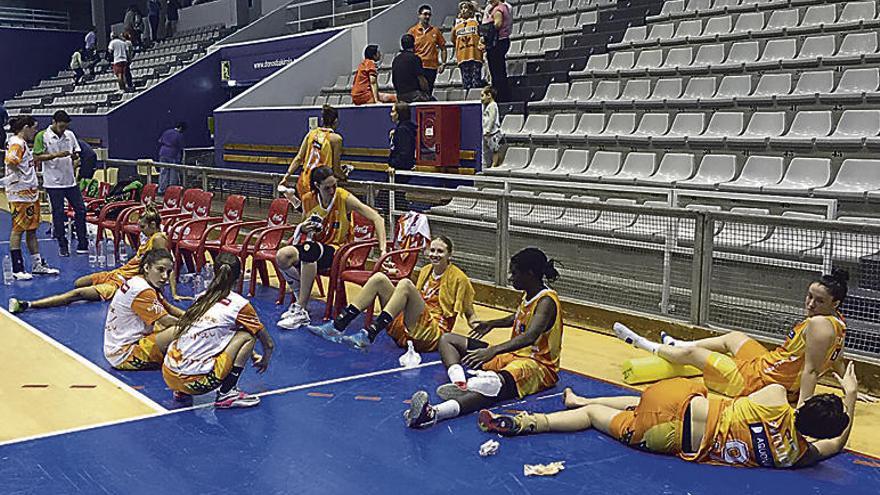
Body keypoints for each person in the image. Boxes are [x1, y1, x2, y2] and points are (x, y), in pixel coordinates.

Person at [480, 363, 859, 469]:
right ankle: (539, 420)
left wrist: (845, 391)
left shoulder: (776, 397)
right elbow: (836, 444)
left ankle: (566, 407)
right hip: (667, 439)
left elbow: (774, 387)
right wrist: (854, 402)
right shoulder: (796, 457)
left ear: (805, 407)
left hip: (677, 397)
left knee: (639, 400)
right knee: (602, 416)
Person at [613, 270, 850, 407]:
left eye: (819, 301)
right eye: (809, 296)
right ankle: (678, 343)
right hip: (769, 363)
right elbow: (836, 357)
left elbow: (810, 371)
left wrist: (803, 409)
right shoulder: (838, 323)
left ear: (835, 303)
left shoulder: (818, 324)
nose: (810, 304)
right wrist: (849, 386)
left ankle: (643, 344)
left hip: (759, 381)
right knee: (735, 338)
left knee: (692, 357)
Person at [404, 247, 562, 429]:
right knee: (448, 339)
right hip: (515, 356)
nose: (511, 277)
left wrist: (492, 351)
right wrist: (492, 323)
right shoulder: (530, 294)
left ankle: (433, 413)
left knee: (492, 386)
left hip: (538, 366)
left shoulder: (546, 302)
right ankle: (461, 383)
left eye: (515, 273)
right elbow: (518, 318)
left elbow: (530, 336)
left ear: (530, 273)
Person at [310, 235, 477, 351]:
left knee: (405, 283)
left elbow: (469, 312)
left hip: (433, 332)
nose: (435, 255)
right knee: (379, 278)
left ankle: (370, 333)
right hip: (413, 323)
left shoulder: (459, 278)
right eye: (432, 250)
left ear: (450, 254)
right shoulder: (426, 270)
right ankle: (338, 325)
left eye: (440, 251)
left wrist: (478, 326)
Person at [8, 205, 181, 313]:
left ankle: (28, 305)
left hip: (121, 282)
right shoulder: (148, 238)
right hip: (116, 273)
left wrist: (172, 293)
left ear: (152, 225)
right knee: (79, 282)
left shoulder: (158, 238)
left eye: (142, 227)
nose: (140, 230)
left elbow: (167, 264)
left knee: (76, 294)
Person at [275, 166, 387, 329]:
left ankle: (301, 310)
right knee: (282, 256)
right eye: (327, 187)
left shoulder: (343, 197)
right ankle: (300, 291)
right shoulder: (308, 199)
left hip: (339, 251)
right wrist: (304, 227)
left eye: (334, 185)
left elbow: (377, 218)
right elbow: (305, 225)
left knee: (309, 251)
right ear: (317, 185)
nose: (333, 190)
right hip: (315, 248)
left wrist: (383, 249)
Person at [163, 252, 275, 408]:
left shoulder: (203, 296)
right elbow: (268, 342)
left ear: (215, 273)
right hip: (195, 382)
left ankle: (181, 391)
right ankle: (226, 393)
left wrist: (253, 354)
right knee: (248, 336)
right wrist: (265, 359)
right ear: (240, 275)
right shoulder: (240, 305)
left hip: (169, 374)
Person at [103, 249, 185, 370]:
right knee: (178, 330)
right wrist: (198, 326)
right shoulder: (142, 290)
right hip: (125, 354)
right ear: (147, 267)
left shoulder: (140, 281)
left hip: (117, 349)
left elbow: (169, 308)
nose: (164, 277)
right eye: (160, 270)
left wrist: (195, 316)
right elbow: (166, 320)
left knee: (173, 328)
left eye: (168, 272)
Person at [3, 116, 60, 280]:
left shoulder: (21, 143)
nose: (35, 132)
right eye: (34, 128)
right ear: (26, 127)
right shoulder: (17, 143)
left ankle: (37, 265)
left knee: (32, 229)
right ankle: (17, 268)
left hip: (30, 194)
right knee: (18, 230)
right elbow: (11, 161)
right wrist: (20, 177)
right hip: (20, 194)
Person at [33, 110, 88, 257]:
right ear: (54, 122)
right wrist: (56, 155)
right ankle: (62, 245)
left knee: (81, 210)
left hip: (70, 181)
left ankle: (83, 242)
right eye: (60, 126)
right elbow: (37, 156)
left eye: (65, 126)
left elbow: (77, 153)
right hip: (53, 183)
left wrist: (75, 159)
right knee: (58, 213)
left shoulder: (70, 135)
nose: (63, 129)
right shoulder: (42, 136)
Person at [280, 105, 344, 199]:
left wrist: (286, 176)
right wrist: (344, 176)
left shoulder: (311, 134)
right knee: (324, 211)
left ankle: (294, 200)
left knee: (307, 210)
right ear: (336, 121)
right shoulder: (336, 139)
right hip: (321, 183)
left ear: (322, 120)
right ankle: (294, 201)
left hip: (305, 180)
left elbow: (298, 158)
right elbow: (336, 170)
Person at [407, 5, 447, 96]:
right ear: (419, 15)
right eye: (425, 14)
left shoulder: (435, 31)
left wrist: (443, 63)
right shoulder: (412, 31)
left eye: (429, 14)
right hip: (418, 67)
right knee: (419, 92)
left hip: (431, 67)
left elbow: (443, 48)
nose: (427, 17)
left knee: (429, 92)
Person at [481, 0, 512, 102]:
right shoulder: (499, 8)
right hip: (499, 42)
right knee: (497, 70)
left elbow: (497, 24)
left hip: (498, 42)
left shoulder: (499, 9)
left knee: (497, 71)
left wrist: (486, 31)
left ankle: (500, 96)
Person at [452, 2, 484, 90]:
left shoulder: (476, 20)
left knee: (475, 83)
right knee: (466, 84)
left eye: (465, 8)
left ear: (470, 10)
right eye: (461, 8)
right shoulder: (457, 23)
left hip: (475, 55)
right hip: (462, 56)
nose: (463, 10)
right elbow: (453, 39)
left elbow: (482, 34)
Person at [392, 34, 430, 103]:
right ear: (413, 44)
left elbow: (394, 80)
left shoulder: (396, 59)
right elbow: (421, 79)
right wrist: (427, 91)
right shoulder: (415, 58)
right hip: (414, 94)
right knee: (432, 100)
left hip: (400, 95)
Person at [157, 122, 186, 194]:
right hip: (173, 154)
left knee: (163, 171)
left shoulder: (167, 131)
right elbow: (181, 146)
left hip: (163, 152)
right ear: (181, 128)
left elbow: (160, 140)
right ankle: (173, 191)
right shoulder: (179, 135)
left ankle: (161, 189)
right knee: (174, 172)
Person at [388, 102, 416, 170]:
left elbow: (404, 153)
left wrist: (393, 164)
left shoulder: (402, 130)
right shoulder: (406, 128)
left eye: (393, 112)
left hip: (401, 169)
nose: (390, 114)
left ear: (399, 114)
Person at [481, 86, 501, 169]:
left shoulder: (493, 105)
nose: (481, 98)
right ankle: (486, 164)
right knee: (486, 150)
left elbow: (492, 118)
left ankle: (494, 164)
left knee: (494, 150)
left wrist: (488, 129)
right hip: (486, 132)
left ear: (489, 95)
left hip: (493, 132)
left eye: (482, 96)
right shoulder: (487, 106)